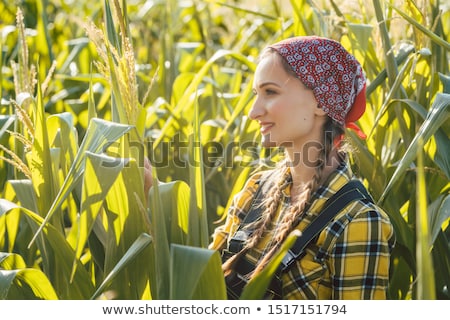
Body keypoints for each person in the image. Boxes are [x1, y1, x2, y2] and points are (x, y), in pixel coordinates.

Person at [208, 36, 396, 300]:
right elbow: (202, 281)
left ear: (321, 101)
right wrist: (152, 197)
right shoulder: (255, 189)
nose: (253, 111)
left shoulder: (358, 221)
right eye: (256, 95)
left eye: (270, 92)